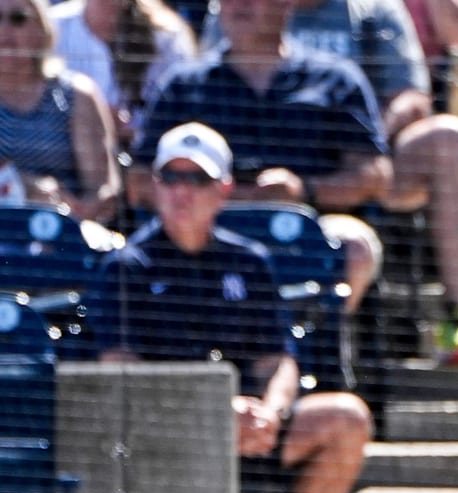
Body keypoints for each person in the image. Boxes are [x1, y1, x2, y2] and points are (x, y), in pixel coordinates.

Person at [89, 122, 372, 493]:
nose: (182, 190)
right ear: (155, 185)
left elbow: (278, 361)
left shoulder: (250, 262)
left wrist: (270, 413)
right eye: (171, 177)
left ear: (223, 189)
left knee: (347, 419)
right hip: (169, 434)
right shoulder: (125, 268)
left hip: (250, 432)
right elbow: (121, 376)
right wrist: (213, 413)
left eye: (197, 179)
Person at [205, 0, 458, 366]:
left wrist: (362, 140)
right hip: (250, 168)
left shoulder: (374, 10)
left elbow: (411, 97)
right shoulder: (237, 7)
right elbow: (207, 79)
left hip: (354, 162)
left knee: (450, 138)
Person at [130, 0, 386, 316]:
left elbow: (374, 175)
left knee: (356, 245)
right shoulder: (183, 84)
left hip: (306, 230)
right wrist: (214, 195)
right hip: (202, 228)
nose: (239, 4)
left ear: (286, 5)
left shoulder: (336, 78)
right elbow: (139, 181)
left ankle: (327, 341)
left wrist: (303, 190)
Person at [0, 0, 121, 225]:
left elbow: (103, 191)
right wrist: (21, 186)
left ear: (42, 30)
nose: (4, 31)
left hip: (64, 236)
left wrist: (68, 209)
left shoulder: (76, 95)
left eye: (18, 18)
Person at [48, 0, 197, 148]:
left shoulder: (167, 36)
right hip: (68, 152)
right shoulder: (54, 27)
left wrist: (130, 128)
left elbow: (177, 117)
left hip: (142, 154)